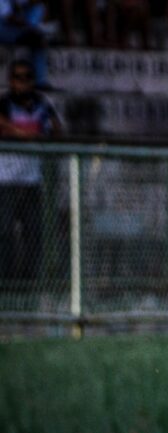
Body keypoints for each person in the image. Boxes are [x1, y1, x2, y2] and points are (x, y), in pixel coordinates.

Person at [0, 58, 60, 286]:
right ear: (11, 81)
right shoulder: (5, 103)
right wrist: (21, 133)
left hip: (32, 179)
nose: (23, 82)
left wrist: (38, 133)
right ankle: (5, 284)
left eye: (27, 77)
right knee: (4, 233)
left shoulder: (41, 104)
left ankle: (30, 284)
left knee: (33, 233)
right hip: (6, 180)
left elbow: (56, 129)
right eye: (18, 77)